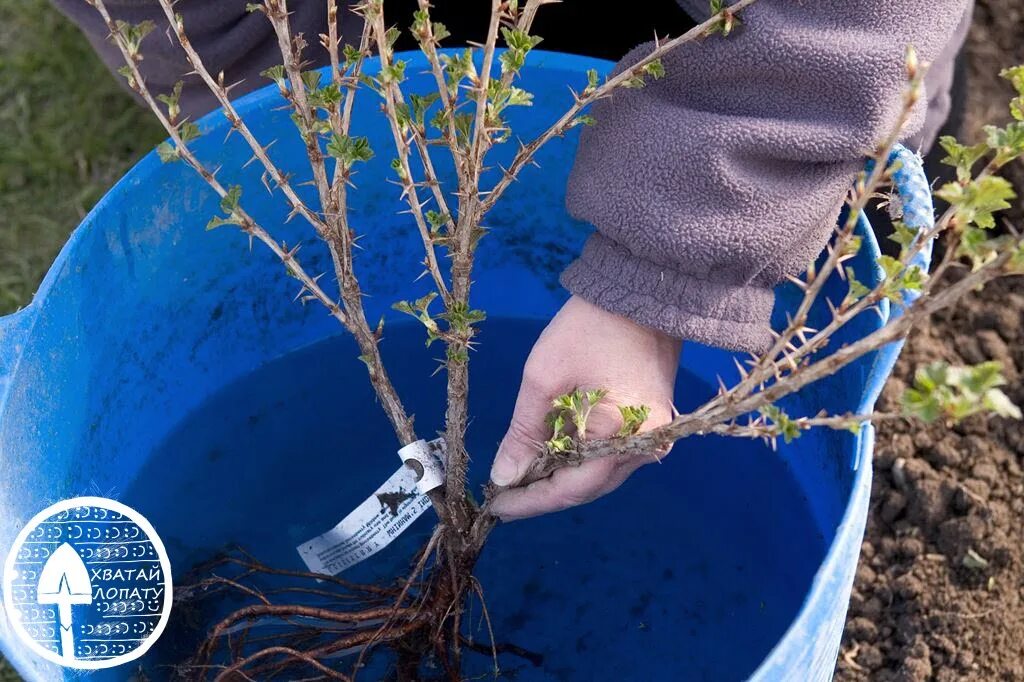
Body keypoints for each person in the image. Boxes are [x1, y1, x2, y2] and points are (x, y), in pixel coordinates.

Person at [56, 0, 973, 520]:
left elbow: (857, 25)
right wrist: (309, 117)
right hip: (384, 24)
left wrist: (659, 282)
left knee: (850, 211)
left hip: (793, 51)